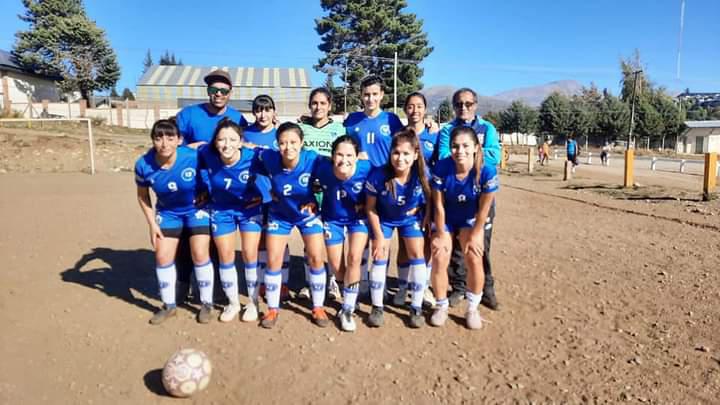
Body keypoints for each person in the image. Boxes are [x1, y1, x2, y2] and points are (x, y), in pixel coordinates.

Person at [134, 119, 214, 324]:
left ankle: (206, 303)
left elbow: (217, 163)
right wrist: (152, 224)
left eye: (170, 138)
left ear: (179, 140)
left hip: (196, 210)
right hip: (168, 213)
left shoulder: (193, 156)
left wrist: (207, 193)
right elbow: (143, 196)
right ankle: (169, 306)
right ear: (152, 140)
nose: (164, 143)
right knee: (162, 256)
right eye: (158, 138)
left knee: (200, 253)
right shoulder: (143, 164)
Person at [251, 122, 328, 329]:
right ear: (277, 144)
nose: (288, 147)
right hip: (280, 215)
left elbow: (336, 172)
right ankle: (273, 309)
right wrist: (265, 192)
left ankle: (318, 306)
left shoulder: (313, 159)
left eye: (293, 142)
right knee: (274, 259)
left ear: (301, 143)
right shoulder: (269, 157)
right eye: (283, 143)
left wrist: (318, 200)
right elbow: (249, 154)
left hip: (306, 215)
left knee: (316, 257)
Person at [436, 88, 501, 310]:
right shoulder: (447, 130)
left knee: (480, 244)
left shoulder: (487, 128)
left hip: (481, 195)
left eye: (468, 103)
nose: (464, 108)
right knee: (455, 247)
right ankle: (460, 287)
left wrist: (468, 154)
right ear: (453, 106)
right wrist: (471, 154)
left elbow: (495, 156)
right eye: (459, 104)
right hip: (453, 194)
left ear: (476, 104)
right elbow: (445, 155)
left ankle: (487, 287)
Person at [429, 126, 499, 329]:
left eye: (465, 146)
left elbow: (484, 209)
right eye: (455, 146)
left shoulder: (486, 171)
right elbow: (439, 205)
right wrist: (441, 233)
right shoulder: (442, 167)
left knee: (474, 256)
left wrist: (477, 234)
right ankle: (441, 305)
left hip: (471, 218)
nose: (460, 151)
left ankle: (472, 308)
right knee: (440, 254)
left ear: (477, 147)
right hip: (447, 217)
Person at [198, 119, 266, 322]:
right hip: (221, 210)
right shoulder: (207, 153)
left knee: (249, 253)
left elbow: (280, 160)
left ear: (241, 142)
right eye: (221, 139)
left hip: (249, 209)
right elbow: (187, 151)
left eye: (232, 139)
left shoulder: (254, 156)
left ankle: (253, 302)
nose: (226, 144)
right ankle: (233, 303)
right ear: (215, 142)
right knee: (225, 255)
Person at [344, 75, 404, 297]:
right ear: (361, 95)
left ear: (382, 96)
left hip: (385, 186)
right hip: (359, 186)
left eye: (374, 94)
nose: (370, 99)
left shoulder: (392, 120)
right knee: (361, 234)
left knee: (381, 236)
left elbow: (403, 146)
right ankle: (360, 283)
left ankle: (380, 283)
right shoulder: (351, 121)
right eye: (366, 94)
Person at [365, 129, 431, 328]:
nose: (400, 158)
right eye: (396, 152)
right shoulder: (378, 175)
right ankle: (377, 307)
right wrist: (377, 236)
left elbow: (432, 200)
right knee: (379, 254)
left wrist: (425, 215)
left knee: (417, 254)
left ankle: (415, 307)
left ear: (415, 155)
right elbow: (370, 207)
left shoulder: (423, 174)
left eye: (406, 153)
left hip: (409, 220)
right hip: (383, 219)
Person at [312, 135, 371, 332]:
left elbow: (385, 179)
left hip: (358, 219)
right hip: (332, 219)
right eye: (339, 154)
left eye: (349, 155)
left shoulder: (366, 168)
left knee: (354, 258)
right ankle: (346, 289)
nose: (343, 160)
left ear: (357, 157)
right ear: (332, 155)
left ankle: (347, 308)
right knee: (337, 266)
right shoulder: (322, 168)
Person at [299, 87, 347, 301]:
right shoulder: (302, 128)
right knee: (310, 239)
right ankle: (310, 282)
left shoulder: (339, 129)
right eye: (314, 103)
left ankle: (334, 282)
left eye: (322, 103)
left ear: (330, 106)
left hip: (331, 192)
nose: (318, 107)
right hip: (306, 191)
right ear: (309, 105)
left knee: (332, 240)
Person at [242, 95, 291, 303]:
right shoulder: (245, 135)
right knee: (261, 241)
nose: (263, 114)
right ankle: (263, 281)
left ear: (274, 112)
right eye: (259, 110)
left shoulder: (280, 135)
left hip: (276, 197)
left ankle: (284, 283)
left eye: (267, 109)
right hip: (254, 196)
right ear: (253, 112)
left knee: (279, 241)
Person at [393, 91, 437, 308]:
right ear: (405, 109)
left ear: (425, 109)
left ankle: (424, 286)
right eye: (410, 106)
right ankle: (402, 286)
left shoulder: (434, 135)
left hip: (427, 198)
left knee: (425, 242)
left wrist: (430, 207)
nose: (415, 110)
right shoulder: (399, 135)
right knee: (404, 243)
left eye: (419, 106)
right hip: (406, 199)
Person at [176, 69, 248, 148]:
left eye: (224, 91)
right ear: (208, 91)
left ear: (230, 93)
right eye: (213, 90)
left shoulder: (238, 119)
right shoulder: (188, 115)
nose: (218, 94)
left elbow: (243, 147)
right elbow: (173, 146)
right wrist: (190, 149)